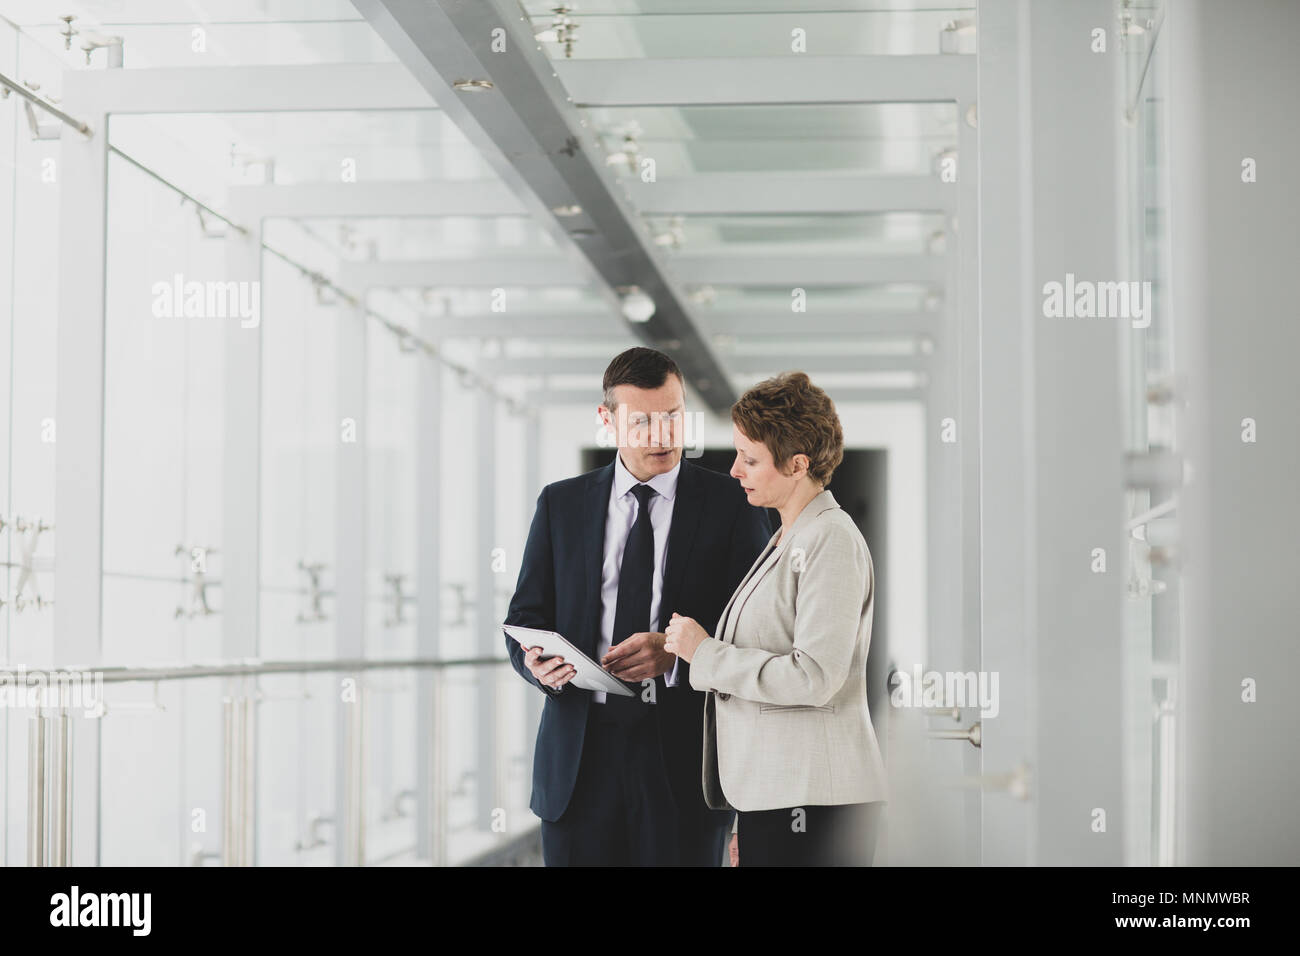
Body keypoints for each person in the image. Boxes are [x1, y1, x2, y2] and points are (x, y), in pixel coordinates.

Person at [504, 347, 772, 866]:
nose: (661, 434)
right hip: (579, 763)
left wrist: (678, 655)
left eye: (672, 416)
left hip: (683, 762)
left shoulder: (732, 506)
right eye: (643, 420)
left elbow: (757, 631)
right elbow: (526, 619)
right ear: (608, 421)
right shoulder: (560, 505)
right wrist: (536, 665)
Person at [665, 371, 887, 866]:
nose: (735, 471)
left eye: (750, 459)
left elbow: (813, 677)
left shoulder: (827, 539)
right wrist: (749, 814)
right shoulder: (790, 537)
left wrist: (704, 654)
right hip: (782, 796)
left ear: (797, 465)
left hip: (814, 800)